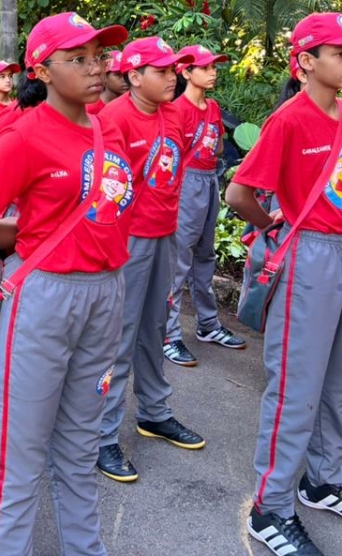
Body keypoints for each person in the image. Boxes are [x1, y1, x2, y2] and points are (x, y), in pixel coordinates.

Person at [0, 11, 132, 556]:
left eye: (98, 57)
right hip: (44, 297)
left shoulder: (109, 127)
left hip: (105, 294)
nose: (94, 68)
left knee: (80, 445)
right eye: (77, 59)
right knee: (19, 453)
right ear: (42, 71)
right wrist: (25, 234)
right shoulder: (24, 135)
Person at [226, 13, 342, 556]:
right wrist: (274, 225)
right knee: (295, 388)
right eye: (340, 53)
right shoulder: (288, 120)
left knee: (340, 379)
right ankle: (270, 508)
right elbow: (238, 194)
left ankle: (324, 480)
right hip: (309, 256)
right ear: (305, 62)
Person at [96, 36, 205, 485]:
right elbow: (105, 191)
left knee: (155, 329)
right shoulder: (113, 119)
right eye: (161, 71)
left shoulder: (174, 113)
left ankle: (154, 413)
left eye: (172, 70)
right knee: (117, 338)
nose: (171, 77)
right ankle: (101, 435)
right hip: (128, 242)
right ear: (134, 76)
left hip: (165, 236)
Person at [163, 44, 247, 366]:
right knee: (179, 261)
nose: (213, 72)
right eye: (205, 67)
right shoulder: (175, 110)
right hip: (186, 184)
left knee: (205, 256)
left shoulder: (212, 107)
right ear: (186, 72)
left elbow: (219, 146)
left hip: (209, 180)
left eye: (214, 67)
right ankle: (169, 334)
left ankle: (208, 324)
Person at [87, 50, 126, 115]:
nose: (125, 79)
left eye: (126, 74)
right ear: (104, 76)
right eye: (118, 75)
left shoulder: (131, 103)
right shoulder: (91, 107)